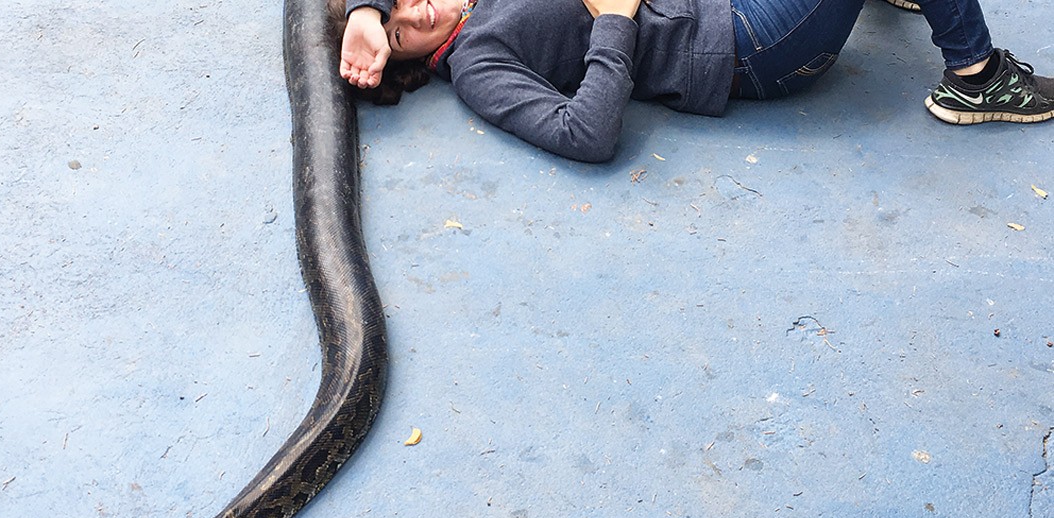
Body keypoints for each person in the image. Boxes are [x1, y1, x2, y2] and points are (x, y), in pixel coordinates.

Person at [331, 0, 1054, 162]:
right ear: (418, 61)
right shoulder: (477, 64)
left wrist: (364, 8)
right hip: (743, 47)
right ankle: (977, 76)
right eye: (401, 31)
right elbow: (582, 135)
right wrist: (614, 19)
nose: (416, 11)